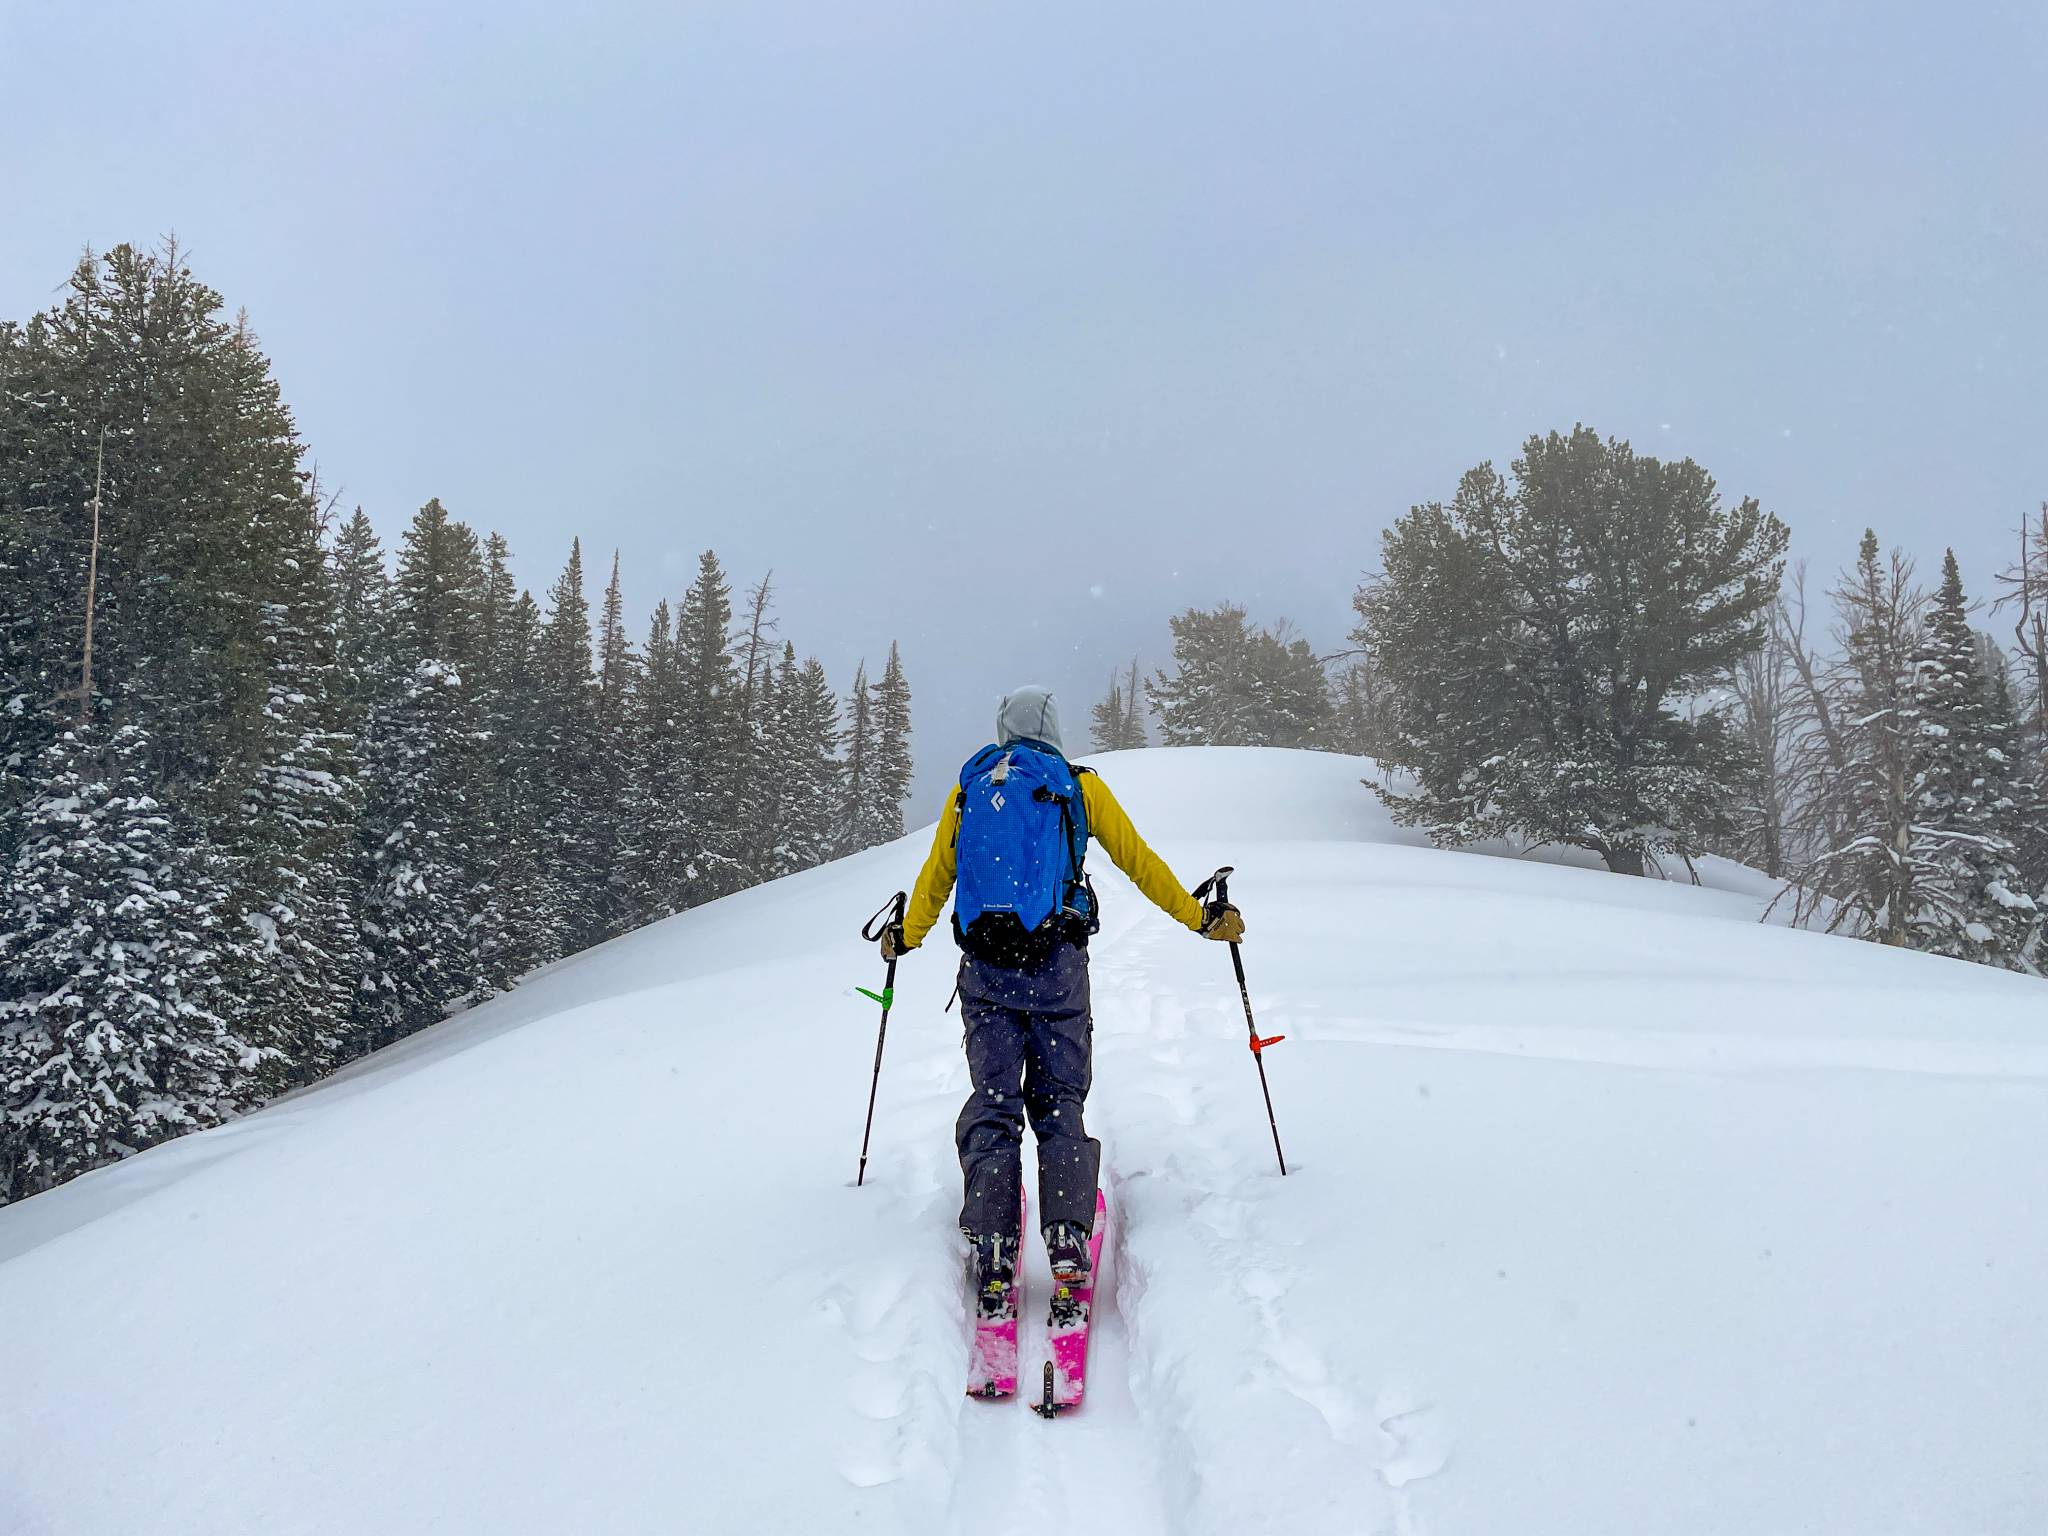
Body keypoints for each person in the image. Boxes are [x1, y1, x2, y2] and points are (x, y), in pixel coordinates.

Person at [877, 684, 1243, 1294]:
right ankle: (1068, 1235)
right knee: (1058, 1102)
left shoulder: (970, 789)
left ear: (1003, 727)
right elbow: (1139, 861)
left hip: (986, 974)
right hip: (1056, 970)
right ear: (1054, 729)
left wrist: (907, 937)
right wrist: (1197, 917)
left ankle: (994, 1242)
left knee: (994, 1104)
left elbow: (937, 876)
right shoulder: (1079, 786)